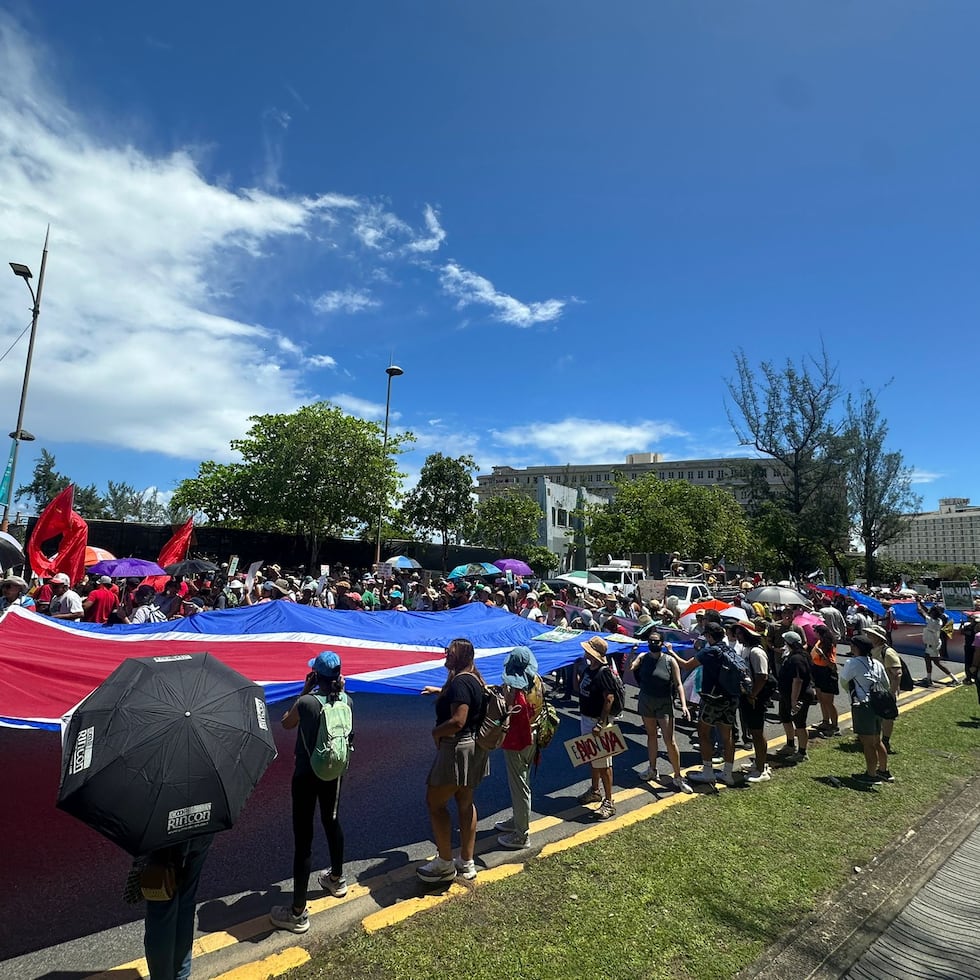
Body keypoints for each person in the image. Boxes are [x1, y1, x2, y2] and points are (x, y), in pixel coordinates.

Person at [270, 651, 351, 933]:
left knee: (303, 839)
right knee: (332, 821)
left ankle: (297, 912)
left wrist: (305, 690)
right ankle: (337, 879)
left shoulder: (307, 703)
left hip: (306, 776)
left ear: (315, 676)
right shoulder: (347, 701)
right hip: (334, 774)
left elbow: (286, 722)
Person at [417, 638, 489, 883]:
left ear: (461, 658)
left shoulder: (460, 683)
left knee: (435, 803)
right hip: (473, 748)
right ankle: (466, 862)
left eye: (451, 652)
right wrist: (440, 692)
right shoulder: (473, 680)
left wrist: (435, 732)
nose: (446, 655)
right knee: (465, 803)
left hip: (456, 749)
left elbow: (458, 720)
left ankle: (445, 863)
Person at [673, 621, 740, 787]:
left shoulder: (709, 651)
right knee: (727, 736)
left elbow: (687, 665)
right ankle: (728, 773)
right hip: (730, 697)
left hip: (713, 698)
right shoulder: (728, 650)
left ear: (709, 636)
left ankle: (708, 772)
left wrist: (671, 652)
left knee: (703, 733)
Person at [142, 835, 215, 980]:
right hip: (204, 825)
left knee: (161, 908)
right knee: (186, 902)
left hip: (165, 833)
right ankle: (181, 976)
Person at [631, 632, 692, 794]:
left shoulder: (670, 661)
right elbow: (631, 667)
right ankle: (652, 769)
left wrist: (683, 705)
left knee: (669, 740)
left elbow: (679, 684)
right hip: (646, 700)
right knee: (651, 735)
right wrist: (632, 653)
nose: (653, 643)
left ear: (662, 643)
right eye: (650, 641)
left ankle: (678, 776)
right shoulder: (643, 657)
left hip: (664, 703)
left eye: (656, 641)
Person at [495, 646, 541, 850]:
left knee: (519, 785)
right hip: (535, 733)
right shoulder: (538, 681)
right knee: (524, 782)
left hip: (519, 740)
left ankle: (521, 834)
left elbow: (506, 713)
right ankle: (518, 819)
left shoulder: (514, 691)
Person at [576, 636, 620, 818]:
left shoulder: (603, 672)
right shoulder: (589, 669)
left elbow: (609, 698)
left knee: (604, 763)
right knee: (594, 759)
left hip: (597, 722)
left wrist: (601, 724)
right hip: (587, 719)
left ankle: (609, 801)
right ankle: (595, 790)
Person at [839, 635, 892, 785]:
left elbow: (843, 681)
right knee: (877, 740)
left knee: (867, 743)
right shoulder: (876, 663)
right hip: (877, 705)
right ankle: (883, 770)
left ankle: (871, 774)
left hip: (863, 705)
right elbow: (886, 684)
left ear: (856, 648)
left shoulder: (852, 663)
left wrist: (852, 693)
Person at [734, 623, 772, 784]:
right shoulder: (746, 650)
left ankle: (761, 768)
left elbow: (762, 676)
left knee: (757, 732)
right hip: (747, 696)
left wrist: (753, 694)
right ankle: (758, 762)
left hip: (755, 698)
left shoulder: (757, 652)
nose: (737, 637)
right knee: (752, 730)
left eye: (740, 634)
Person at [862, 624, 902, 755]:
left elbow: (897, 673)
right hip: (874, 690)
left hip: (885, 691)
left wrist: (891, 693)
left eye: (871, 635)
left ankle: (885, 741)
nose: (868, 636)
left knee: (887, 717)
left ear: (878, 637)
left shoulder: (888, 652)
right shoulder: (871, 650)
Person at [775, 630, 813, 764]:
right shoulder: (791, 655)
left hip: (798, 696)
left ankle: (802, 752)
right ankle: (790, 745)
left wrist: (793, 700)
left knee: (800, 724)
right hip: (787, 694)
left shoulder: (797, 658)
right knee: (785, 718)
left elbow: (798, 680)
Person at [915, 597, 960, 687]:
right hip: (933, 644)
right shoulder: (938, 620)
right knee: (929, 660)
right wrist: (921, 603)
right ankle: (929, 678)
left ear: (934, 613)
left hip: (932, 645)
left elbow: (920, 611)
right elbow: (926, 611)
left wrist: (918, 603)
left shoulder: (932, 621)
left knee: (936, 662)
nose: (930, 612)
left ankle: (954, 679)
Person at [809, 623, 840, 737]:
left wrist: (822, 655)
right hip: (818, 671)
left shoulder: (829, 646)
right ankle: (825, 721)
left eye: (815, 631)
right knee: (821, 699)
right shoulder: (819, 642)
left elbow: (831, 664)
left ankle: (835, 725)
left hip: (827, 673)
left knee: (828, 702)